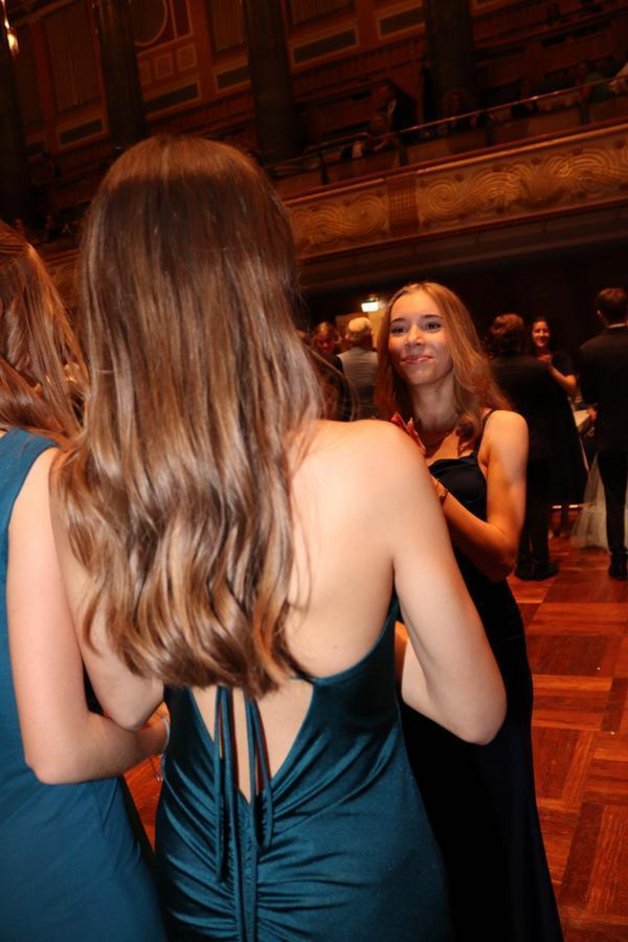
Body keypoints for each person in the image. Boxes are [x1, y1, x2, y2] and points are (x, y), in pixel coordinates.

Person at [52, 135, 506, 941]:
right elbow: (475, 711)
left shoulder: (84, 485)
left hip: (199, 882)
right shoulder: (376, 459)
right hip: (362, 882)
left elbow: (126, 698)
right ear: (264, 272)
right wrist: (366, 631)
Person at [377, 282, 563, 942]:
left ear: (457, 336)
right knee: (434, 810)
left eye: (430, 325)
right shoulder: (382, 435)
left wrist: (423, 484)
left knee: (494, 808)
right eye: (400, 328)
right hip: (408, 644)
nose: (413, 340)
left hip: (485, 638)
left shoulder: (498, 427)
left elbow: (501, 554)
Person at [0, 223, 167, 941]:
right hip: (56, 861)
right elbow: (66, 746)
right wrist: (158, 735)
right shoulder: (33, 469)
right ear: (18, 311)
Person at [488, 313, 564, 580]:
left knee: (511, 505)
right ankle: (541, 561)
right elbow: (553, 408)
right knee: (539, 505)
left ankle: (521, 562)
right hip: (537, 443)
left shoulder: (488, 371)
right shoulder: (537, 368)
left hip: (502, 447)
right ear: (522, 337)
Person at [579, 288, 628, 580]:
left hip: (610, 433)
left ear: (600, 314)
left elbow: (589, 395)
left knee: (614, 499)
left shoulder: (590, 349)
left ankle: (618, 561)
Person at [530, 317, 587, 536]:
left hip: (560, 419)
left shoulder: (561, 357)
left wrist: (550, 369)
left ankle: (563, 522)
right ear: (530, 334)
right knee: (543, 471)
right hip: (538, 419)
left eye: (545, 330)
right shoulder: (527, 359)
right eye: (537, 331)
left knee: (564, 467)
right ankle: (546, 524)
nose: (541, 335)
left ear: (550, 333)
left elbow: (571, 388)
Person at [339, 315, 378, 418]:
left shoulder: (338, 360)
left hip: (348, 418)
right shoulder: (379, 360)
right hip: (375, 417)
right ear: (369, 337)